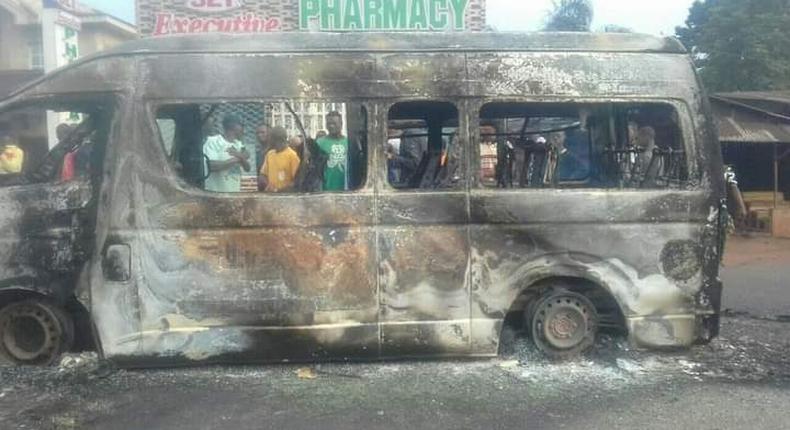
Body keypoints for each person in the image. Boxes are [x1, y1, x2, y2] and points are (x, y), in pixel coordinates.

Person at [203, 114, 250, 193]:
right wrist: (238, 158)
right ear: (234, 126)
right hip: (216, 193)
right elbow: (211, 166)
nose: (243, 129)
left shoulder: (238, 144)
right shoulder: (214, 141)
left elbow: (247, 168)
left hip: (234, 193)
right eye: (241, 126)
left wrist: (240, 156)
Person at [259, 127, 300, 192]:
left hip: (287, 197)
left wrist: (278, 191)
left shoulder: (293, 156)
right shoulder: (269, 154)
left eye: (270, 138)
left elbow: (297, 181)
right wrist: (268, 186)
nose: (268, 141)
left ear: (275, 140)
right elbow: (262, 175)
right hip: (271, 196)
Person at [316, 111, 349, 191]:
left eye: (334, 123)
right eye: (329, 123)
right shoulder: (319, 143)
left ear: (341, 124)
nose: (331, 126)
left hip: (347, 190)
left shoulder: (349, 143)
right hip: (326, 190)